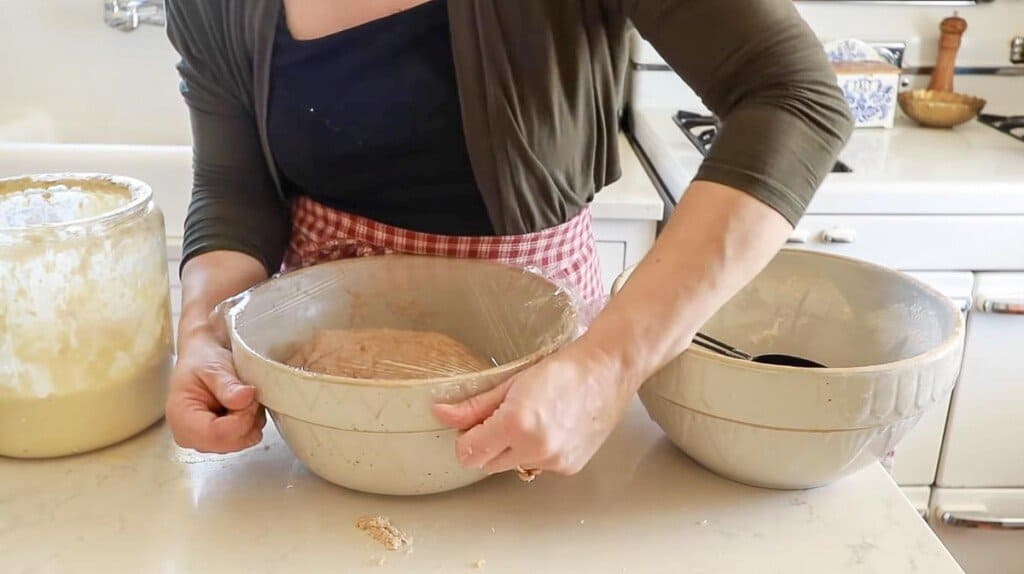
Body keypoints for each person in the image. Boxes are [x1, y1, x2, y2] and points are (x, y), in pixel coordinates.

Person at [164, 0, 853, 478]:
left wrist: (607, 368)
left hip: (544, 399)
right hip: (319, 414)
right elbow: (235, 185)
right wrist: (202, 333)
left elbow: (790, 97)